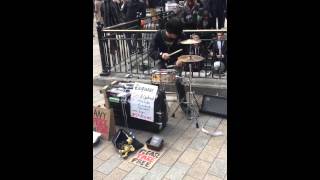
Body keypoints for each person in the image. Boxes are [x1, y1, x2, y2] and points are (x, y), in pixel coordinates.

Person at [149, 18, 192, 117]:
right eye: (175, 35)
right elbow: (151, 51)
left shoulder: (181, 35)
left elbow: (186, 52)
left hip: (176, 63)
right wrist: (160, 55)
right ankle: (157, 103)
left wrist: (181, 60)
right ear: (170, 32)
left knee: (178, 79)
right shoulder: (158, 35)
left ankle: (183, 104)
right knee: (155, 77)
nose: (176, 36)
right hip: (163, 61)